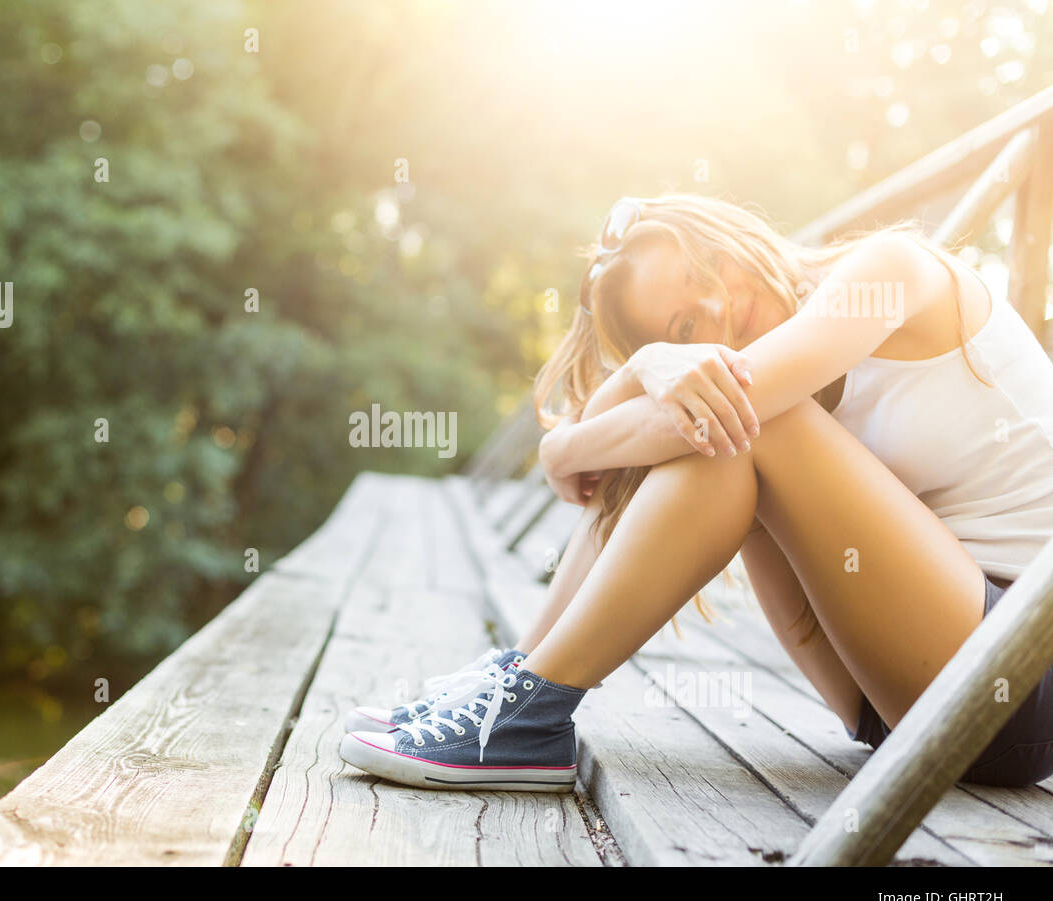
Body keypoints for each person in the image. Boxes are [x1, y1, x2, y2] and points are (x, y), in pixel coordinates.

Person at [341, 193, 1053, 791]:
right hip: (886, 696)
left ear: (730, 232)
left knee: (737, 419)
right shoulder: (747, 369)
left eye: (711, 265)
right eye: (686, 325)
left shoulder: (890, 270)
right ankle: (517, 682)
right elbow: (664, 428)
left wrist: (563, 445)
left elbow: (727, 405)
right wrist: (649, 366)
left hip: (1017, 682)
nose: (720, 297)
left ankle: (525, 712)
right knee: (720, 422)